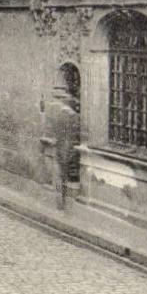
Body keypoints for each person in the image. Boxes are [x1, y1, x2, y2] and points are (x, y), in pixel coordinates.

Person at [44, 72, 80, 210]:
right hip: (68, 149)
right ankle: (63, 200)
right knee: (64, 175)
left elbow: (53, 130)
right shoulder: (74, 117)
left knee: (59, 175)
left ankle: (59, 200)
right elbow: (74, 134)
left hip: (59, 147)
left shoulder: (58, 115)